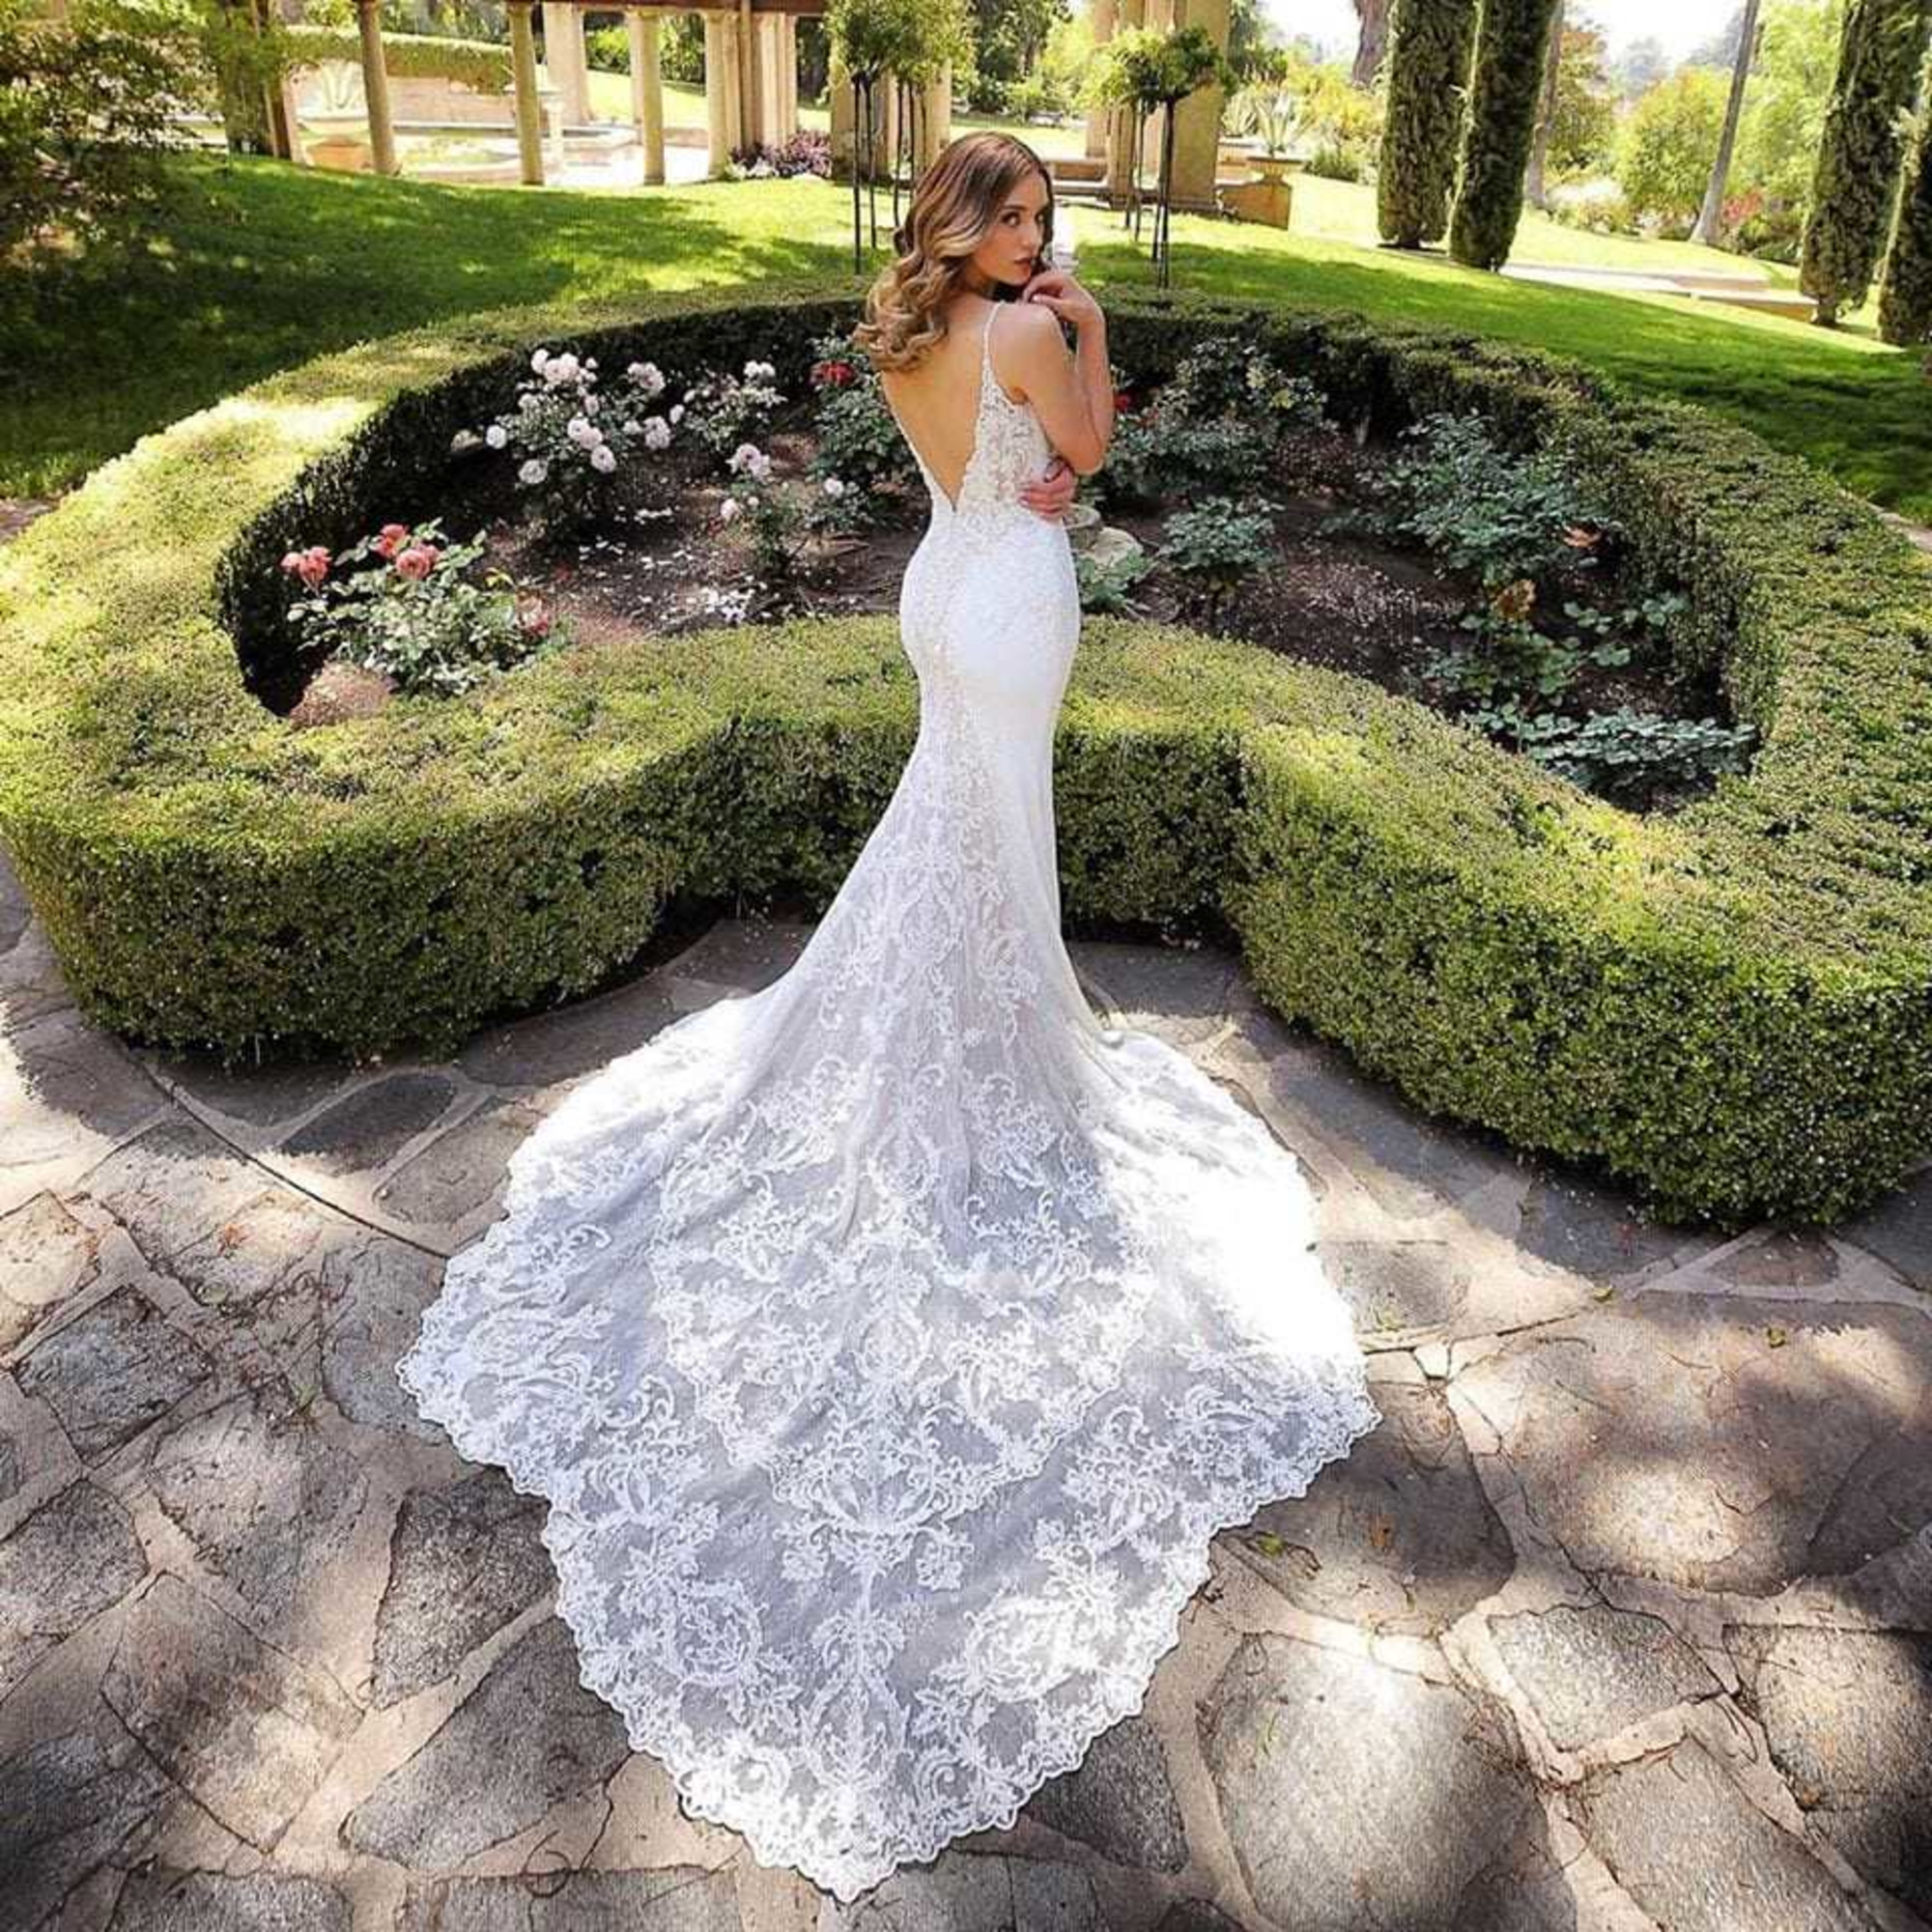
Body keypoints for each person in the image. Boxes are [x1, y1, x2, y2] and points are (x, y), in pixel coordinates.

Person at [396, 129, 1380, 1905]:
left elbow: (1015, 463)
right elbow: (1083, 450)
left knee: (974, 841)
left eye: (1046, 221)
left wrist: (1057, 368)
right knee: (990, 843)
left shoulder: (917, 333)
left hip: (947, 588)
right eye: (1015, 216)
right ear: (968, 222)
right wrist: (1086, 332)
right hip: (1004, 604)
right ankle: (980, 1057)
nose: (1038, 237)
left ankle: (973, 1027)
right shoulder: (1020, 327)